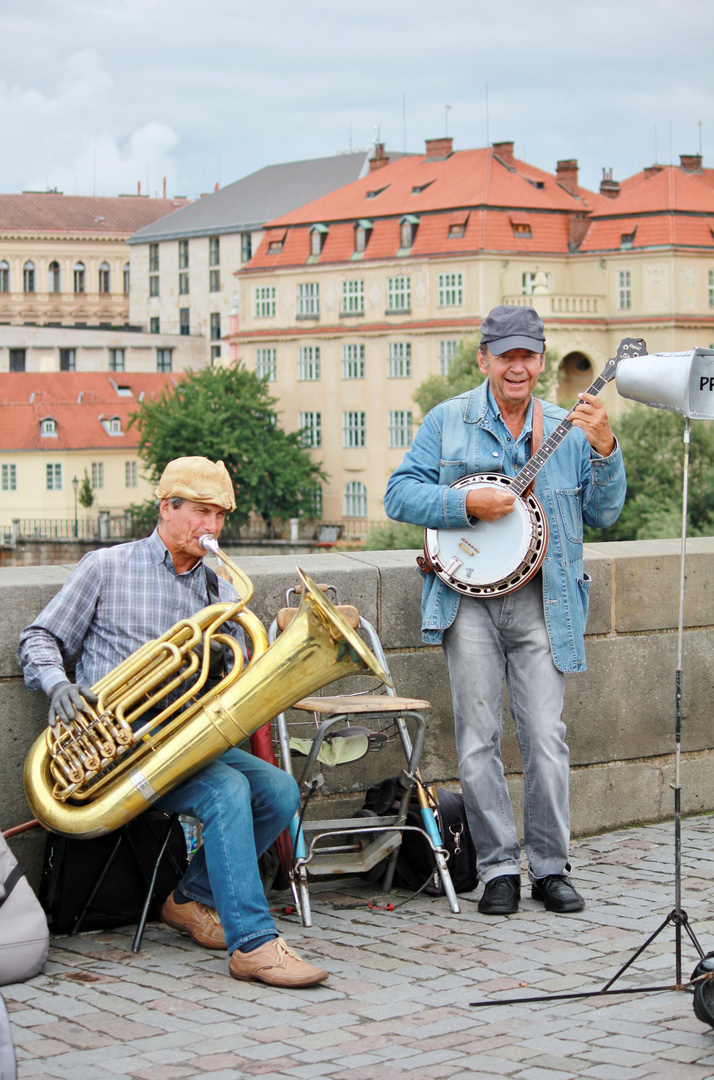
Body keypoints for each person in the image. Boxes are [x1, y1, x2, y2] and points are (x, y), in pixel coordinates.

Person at [18, 456, 328, 987]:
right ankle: (253, 945)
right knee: (226, 789)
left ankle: (191, 898)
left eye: (219, 516)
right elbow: (38, 638)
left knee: (277, 789)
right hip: (119, 749)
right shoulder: (105, 566)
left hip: (182, 740)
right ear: (166, 508)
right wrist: (58, 684)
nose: (210, 528)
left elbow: (231, 672)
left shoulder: (216, 588)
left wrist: (245, 660)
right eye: (200, 513)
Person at [384, 306, 626, 916]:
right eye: (506, 355)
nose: (517, 367)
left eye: (528, 356)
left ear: (541, 361)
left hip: (548, 602)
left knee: (546, 737)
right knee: (477, 740)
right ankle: (497, 870)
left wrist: (606, 448)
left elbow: (606, 514)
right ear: (484, 358)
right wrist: (467, 507)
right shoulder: (449, 421)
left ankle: (550, 868)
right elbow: (398, 493)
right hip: (467, 603)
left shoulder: (567, 428)